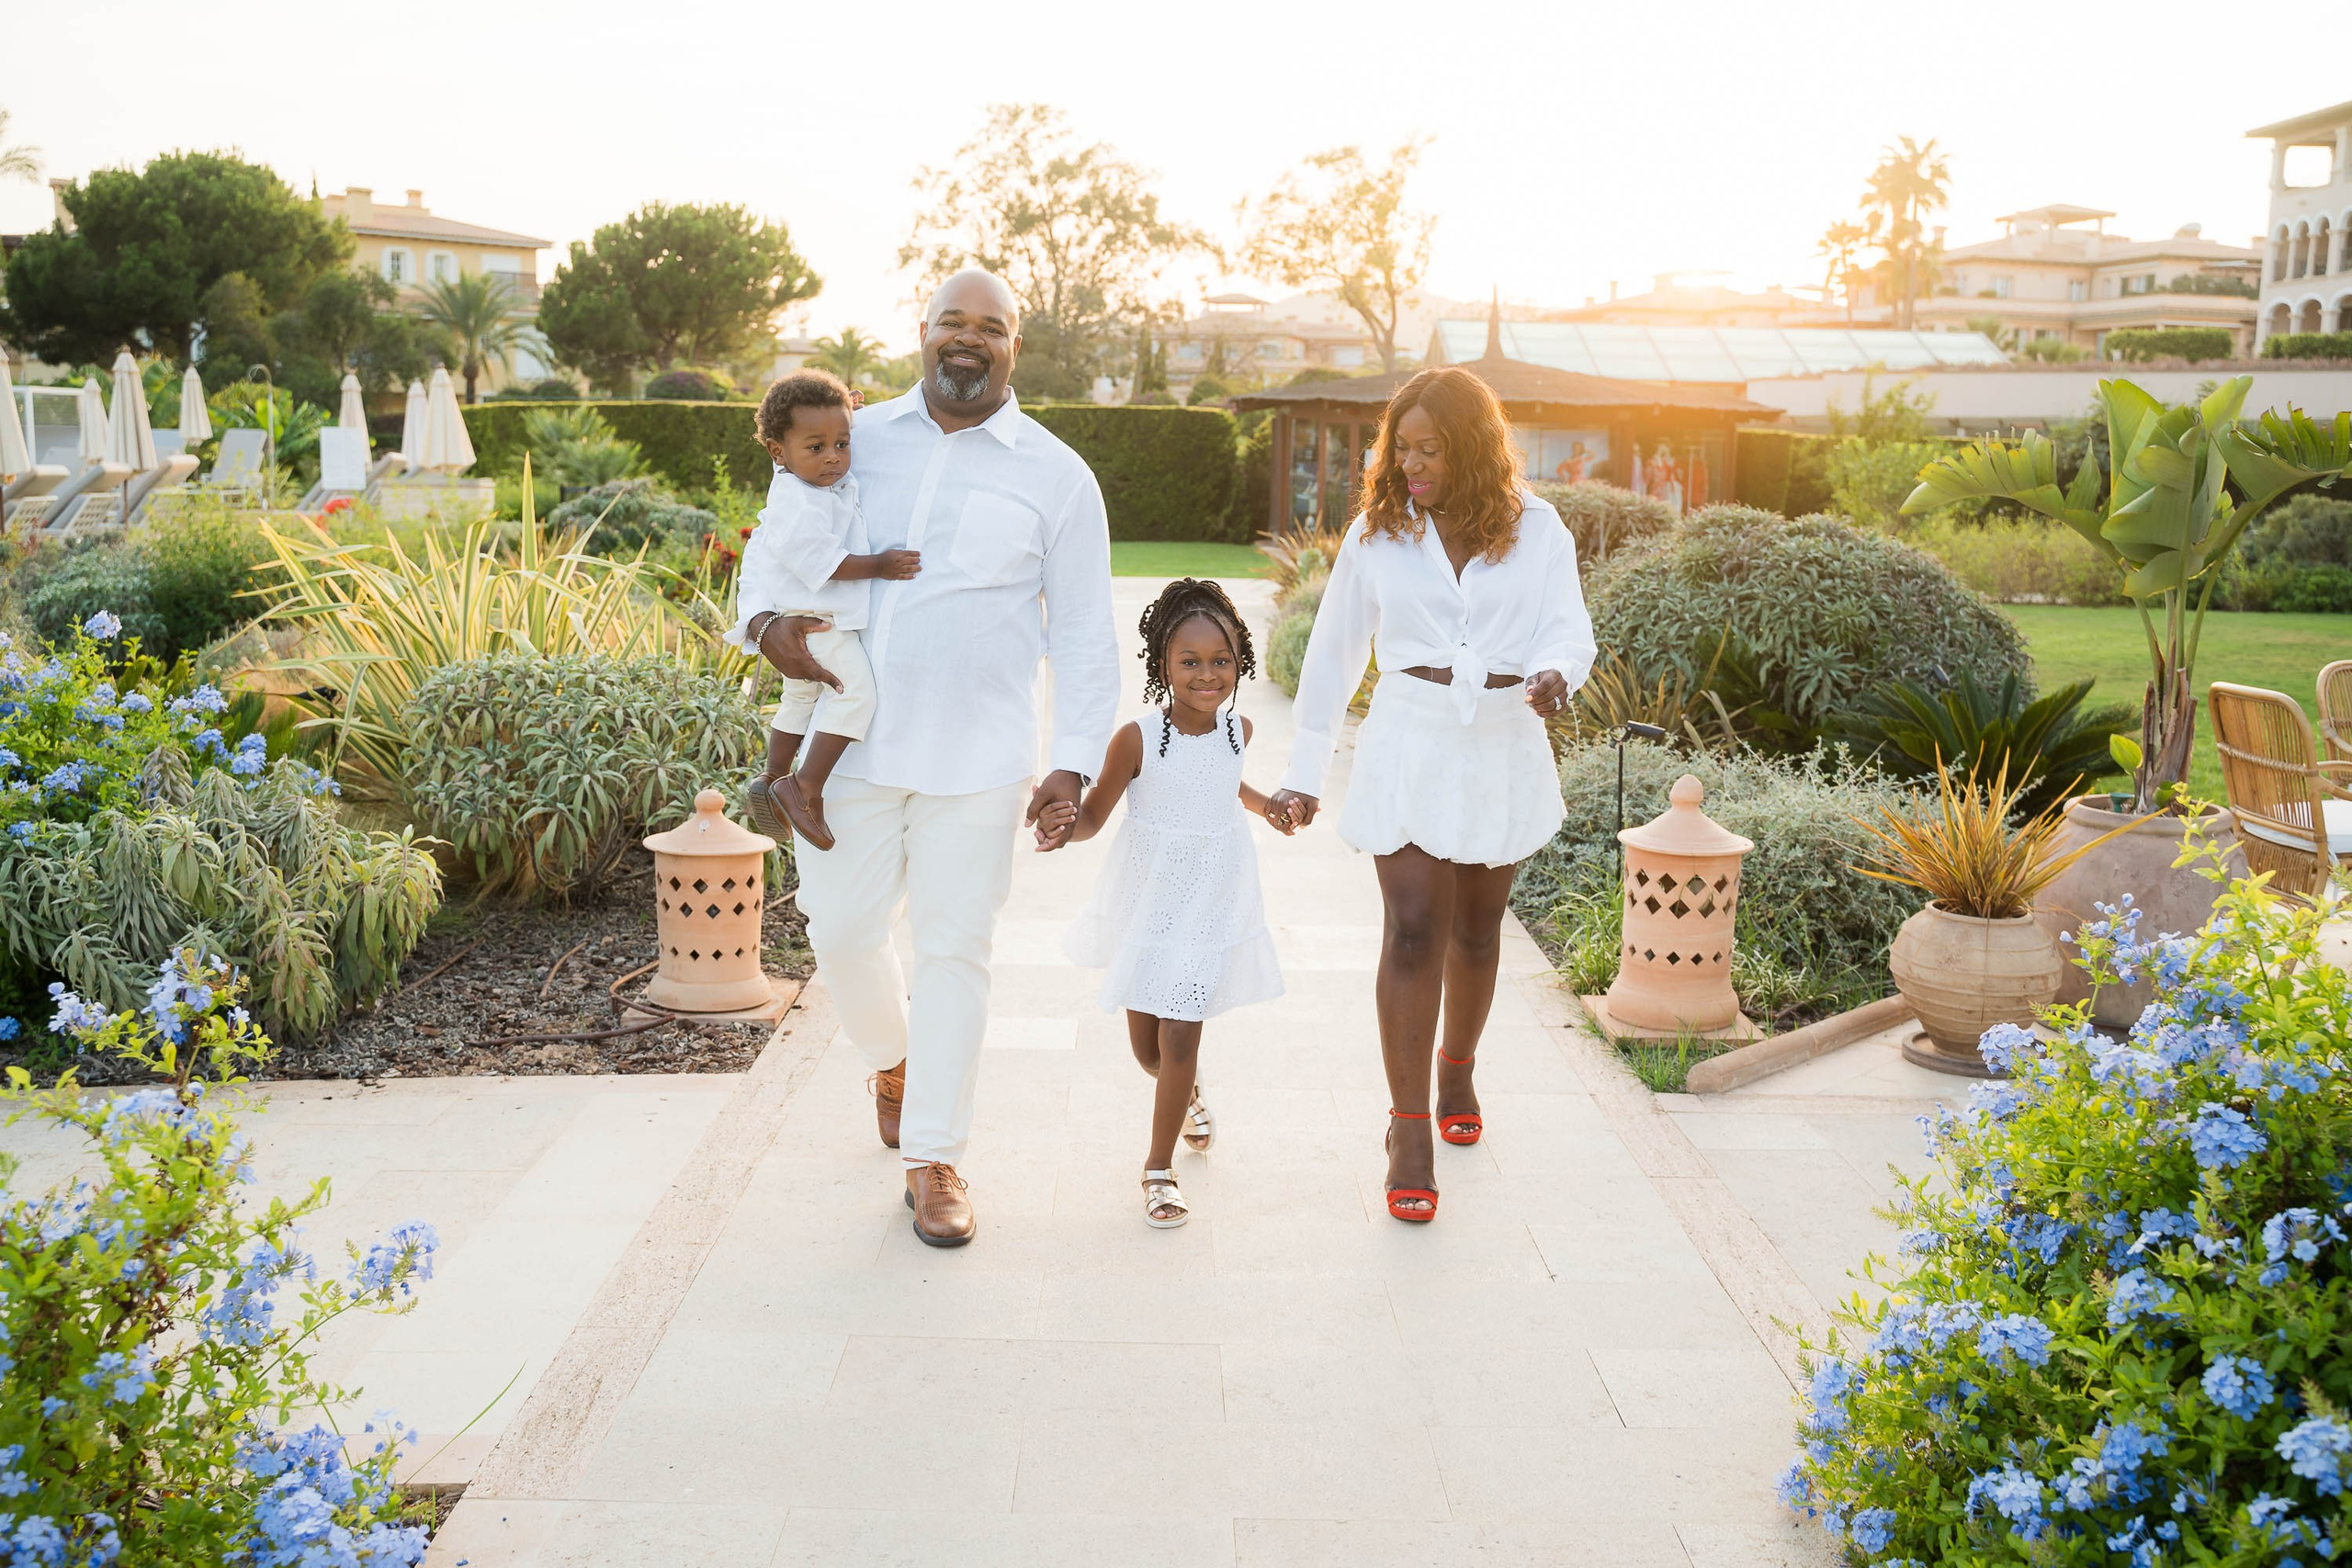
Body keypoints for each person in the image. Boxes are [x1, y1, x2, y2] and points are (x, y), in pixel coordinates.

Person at [745, 269, 1119, 1247]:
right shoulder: (852, 441)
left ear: (1014, 348)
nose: (968, 339)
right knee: (838, 925)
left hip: (982, 758)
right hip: (850, 749)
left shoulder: (1056, 474)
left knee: (956, 950)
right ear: (922, 331)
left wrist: (1071, 764)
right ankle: (893, 1060)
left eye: (989, 327)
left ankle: (936, 1155)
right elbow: (776, 539)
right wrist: (758, 625)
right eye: (952, 321)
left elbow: (1084, 634)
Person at [1265, 367, 1595, 1224]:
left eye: (1431, 450)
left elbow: (1568, 622)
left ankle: (1457, 1066)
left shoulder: (1540, 528)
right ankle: (1408, 1129)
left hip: (1501, 738)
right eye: (1400, 447)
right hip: (1409, 735)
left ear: (1475, 450)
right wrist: (1302, 770)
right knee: (1415, 928)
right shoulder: (1381, 532)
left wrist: (1559, 671)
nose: (1410, 465)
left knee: (1479, 934)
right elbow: (1336, 650)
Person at [1045, 579, 1290, 1228]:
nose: (1208, 675)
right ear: (1163, 666)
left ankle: (1158, 1170)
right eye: (1191, 661)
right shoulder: (1140, 737)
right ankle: (1189, 1095)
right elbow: (1096, 816)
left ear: (1240, 664)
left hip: (1213, 898)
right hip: (1150, 904)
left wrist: (1270, 808)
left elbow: (1227, 784)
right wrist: (1064, 824)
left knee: (1182, 1033)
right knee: (1150, 1050)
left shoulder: (1241, 728)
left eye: (1222, 661)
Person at [730, 370, 922, 852]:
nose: (834, 457)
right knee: (855, 695)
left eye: (843, 442)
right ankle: (804, 787)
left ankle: (772, 779)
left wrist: (844, 408)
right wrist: (880, 565)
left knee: (798, 698)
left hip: (804, 620)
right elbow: (825, 563)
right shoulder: (798, 501)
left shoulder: (800, 480)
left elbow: (819, 434)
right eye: (816, 448)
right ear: (779, 452)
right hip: (820, 625)